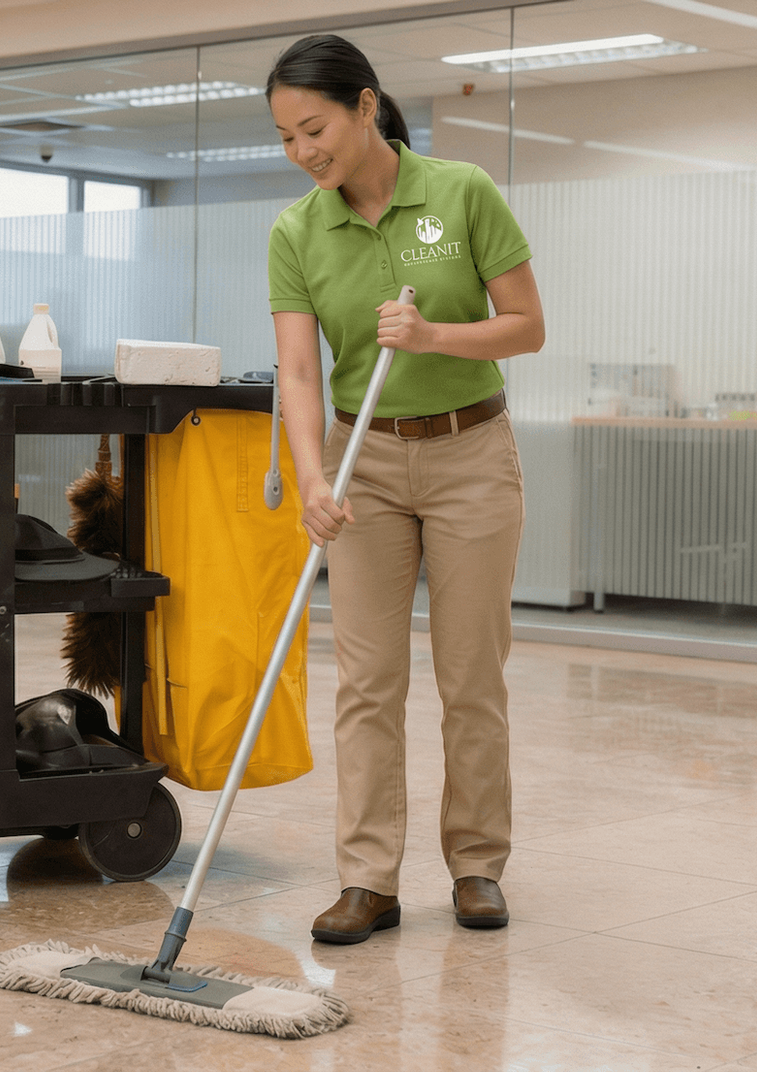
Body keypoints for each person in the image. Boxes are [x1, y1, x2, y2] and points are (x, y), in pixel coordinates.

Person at [264, 34, 545, 942]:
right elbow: (300, 375)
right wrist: (311, 476)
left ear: (366, 107)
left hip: (470, 452)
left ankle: (475, 865)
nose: (306, 152)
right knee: (367, 680)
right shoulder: (297, 232)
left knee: (470, 674)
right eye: (287, 138)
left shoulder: (462, 193)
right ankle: (368, 879)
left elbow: (526, 327)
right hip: (362, 461)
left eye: (315, 128)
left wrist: (432, 340)